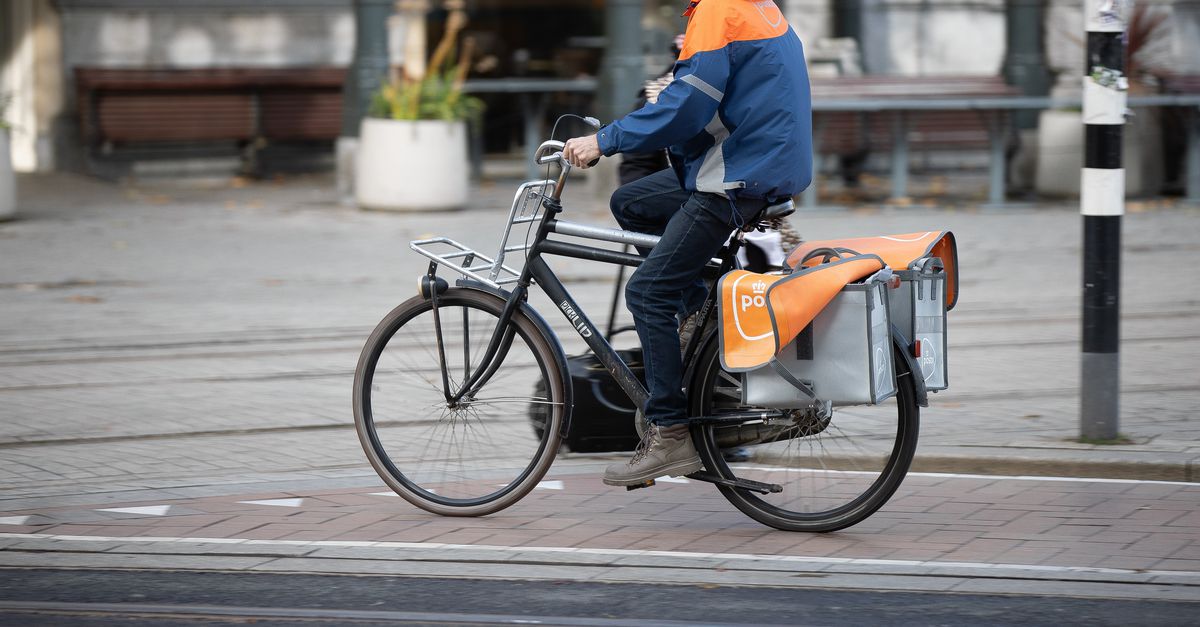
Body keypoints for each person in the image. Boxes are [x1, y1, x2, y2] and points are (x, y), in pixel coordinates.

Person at [562, 0, 813, 486]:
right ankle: (695, 313)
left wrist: (606, 139)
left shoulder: (720, 13)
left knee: (647, 293)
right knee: (632, 203)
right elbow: (701, 98)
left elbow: (687, 108)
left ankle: (671, 432)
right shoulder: (752, 6)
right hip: (762, 159)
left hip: (738, 174)